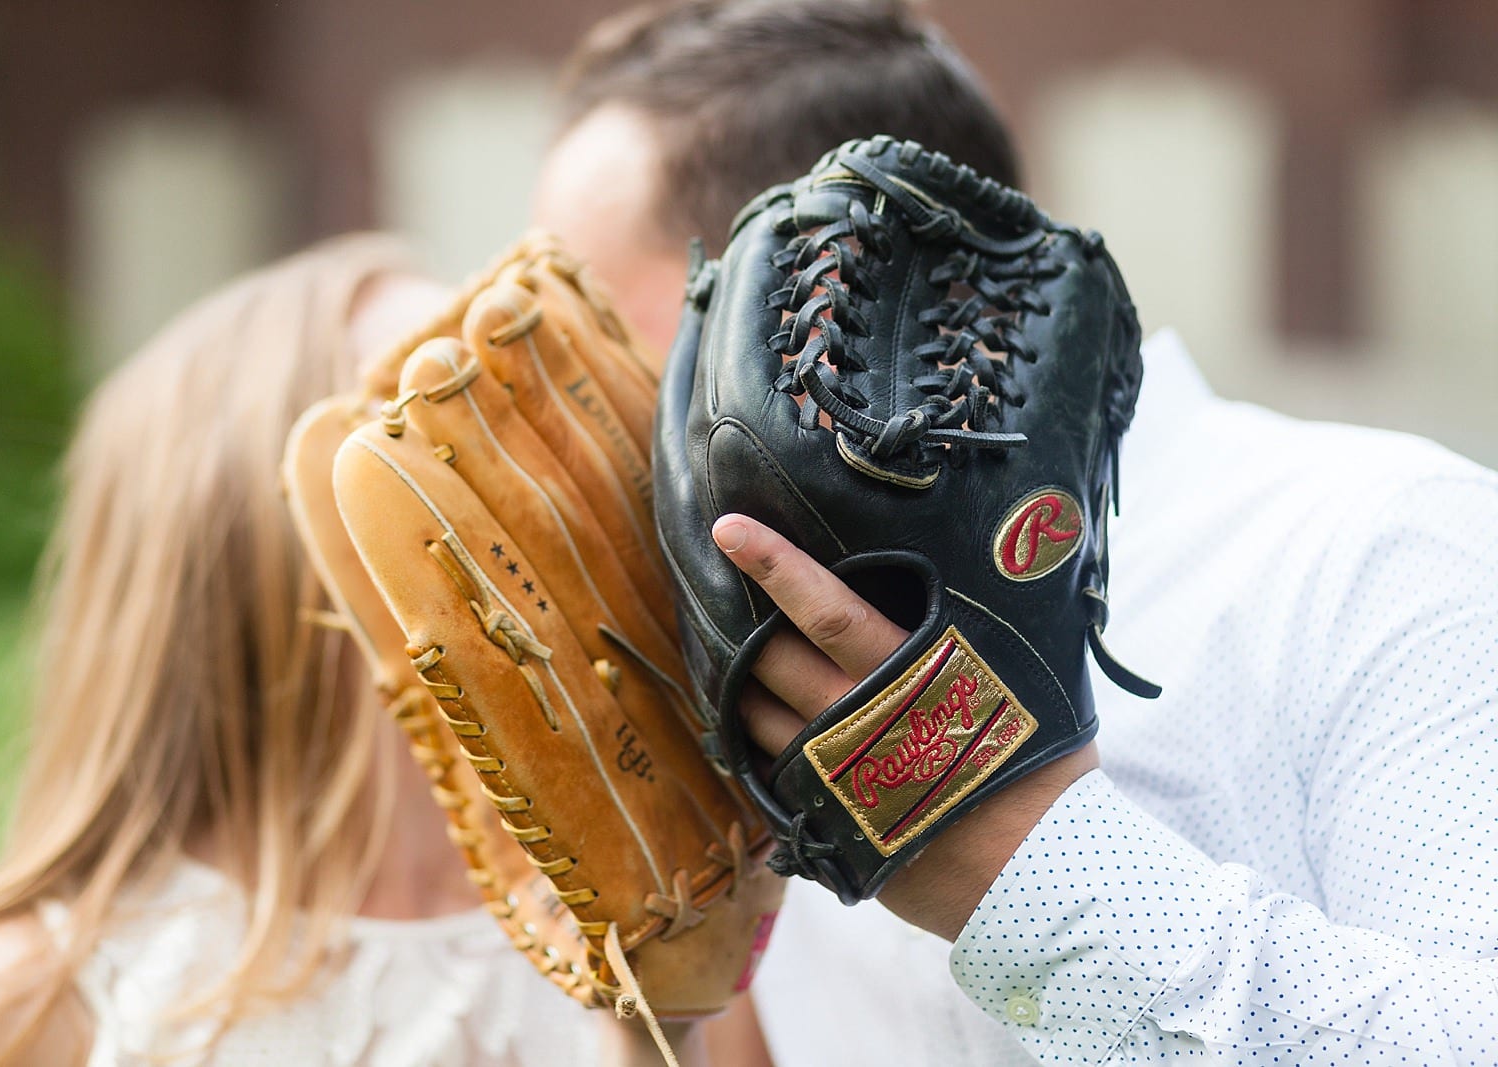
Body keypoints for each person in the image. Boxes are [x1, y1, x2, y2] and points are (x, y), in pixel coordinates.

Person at [532, 1, 1498, 1062]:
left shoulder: (1384, 544)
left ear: (826, 290)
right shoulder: (762, 664)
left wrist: (1021, 863)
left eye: (602, 346)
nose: (580, 422)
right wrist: (650, 998)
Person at [0, 236, 752, 1066]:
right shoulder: (2, 1008)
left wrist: (659, 1027)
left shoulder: (676, 914)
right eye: (431, 422)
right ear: (249, 542)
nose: (526, 459)